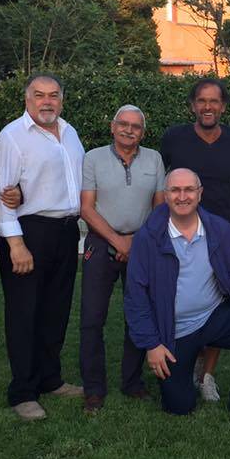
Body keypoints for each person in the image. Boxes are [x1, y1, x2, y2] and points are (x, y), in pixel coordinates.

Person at [123, 168, 230, 426]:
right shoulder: (148, 237)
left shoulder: (219, 229)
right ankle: (185, 369)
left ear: (200, 193)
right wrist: (152, 345)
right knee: (179, 406)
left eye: (189, 190)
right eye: (175, 190)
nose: (182, 196)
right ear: (165, 195)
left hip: (212, 316)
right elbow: (135, 297)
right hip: (174, 330)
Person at [0, 73, 85, 421]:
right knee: (24, 314)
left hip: (65, 231)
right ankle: (22, 391)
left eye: (53, 95)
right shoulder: (12, 136)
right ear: (27, 99)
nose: (47, 101)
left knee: (55, 310)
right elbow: (4, 194)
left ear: (61, 99)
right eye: (39, 95)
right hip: (30, 233)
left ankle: (50, 379)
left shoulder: (70, 132)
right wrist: (16, 244)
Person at [159, 77, 230, 401]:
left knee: (221, 302)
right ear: (192, 105)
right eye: (201, 100)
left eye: (214, 101)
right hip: (180, 235)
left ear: (223, 106)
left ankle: (207, 374)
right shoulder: (174, 138)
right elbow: (160, 186)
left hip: (221, 238)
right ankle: (179, 357)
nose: (207, 106)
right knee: (181, 298)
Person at [79, 105, 165, 413]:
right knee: (92, 318)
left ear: (143, 132)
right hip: (101, 243)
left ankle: (132, 382)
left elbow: (160, 207)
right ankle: (93, 388)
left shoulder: (154, 159)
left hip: (141, 244)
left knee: (139, 314)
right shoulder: (93, 158)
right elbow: (86, 208)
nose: (129, 130)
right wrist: (117, 241)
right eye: (124, 124)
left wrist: (136, 242)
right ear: (113, 127)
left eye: (136, 126)